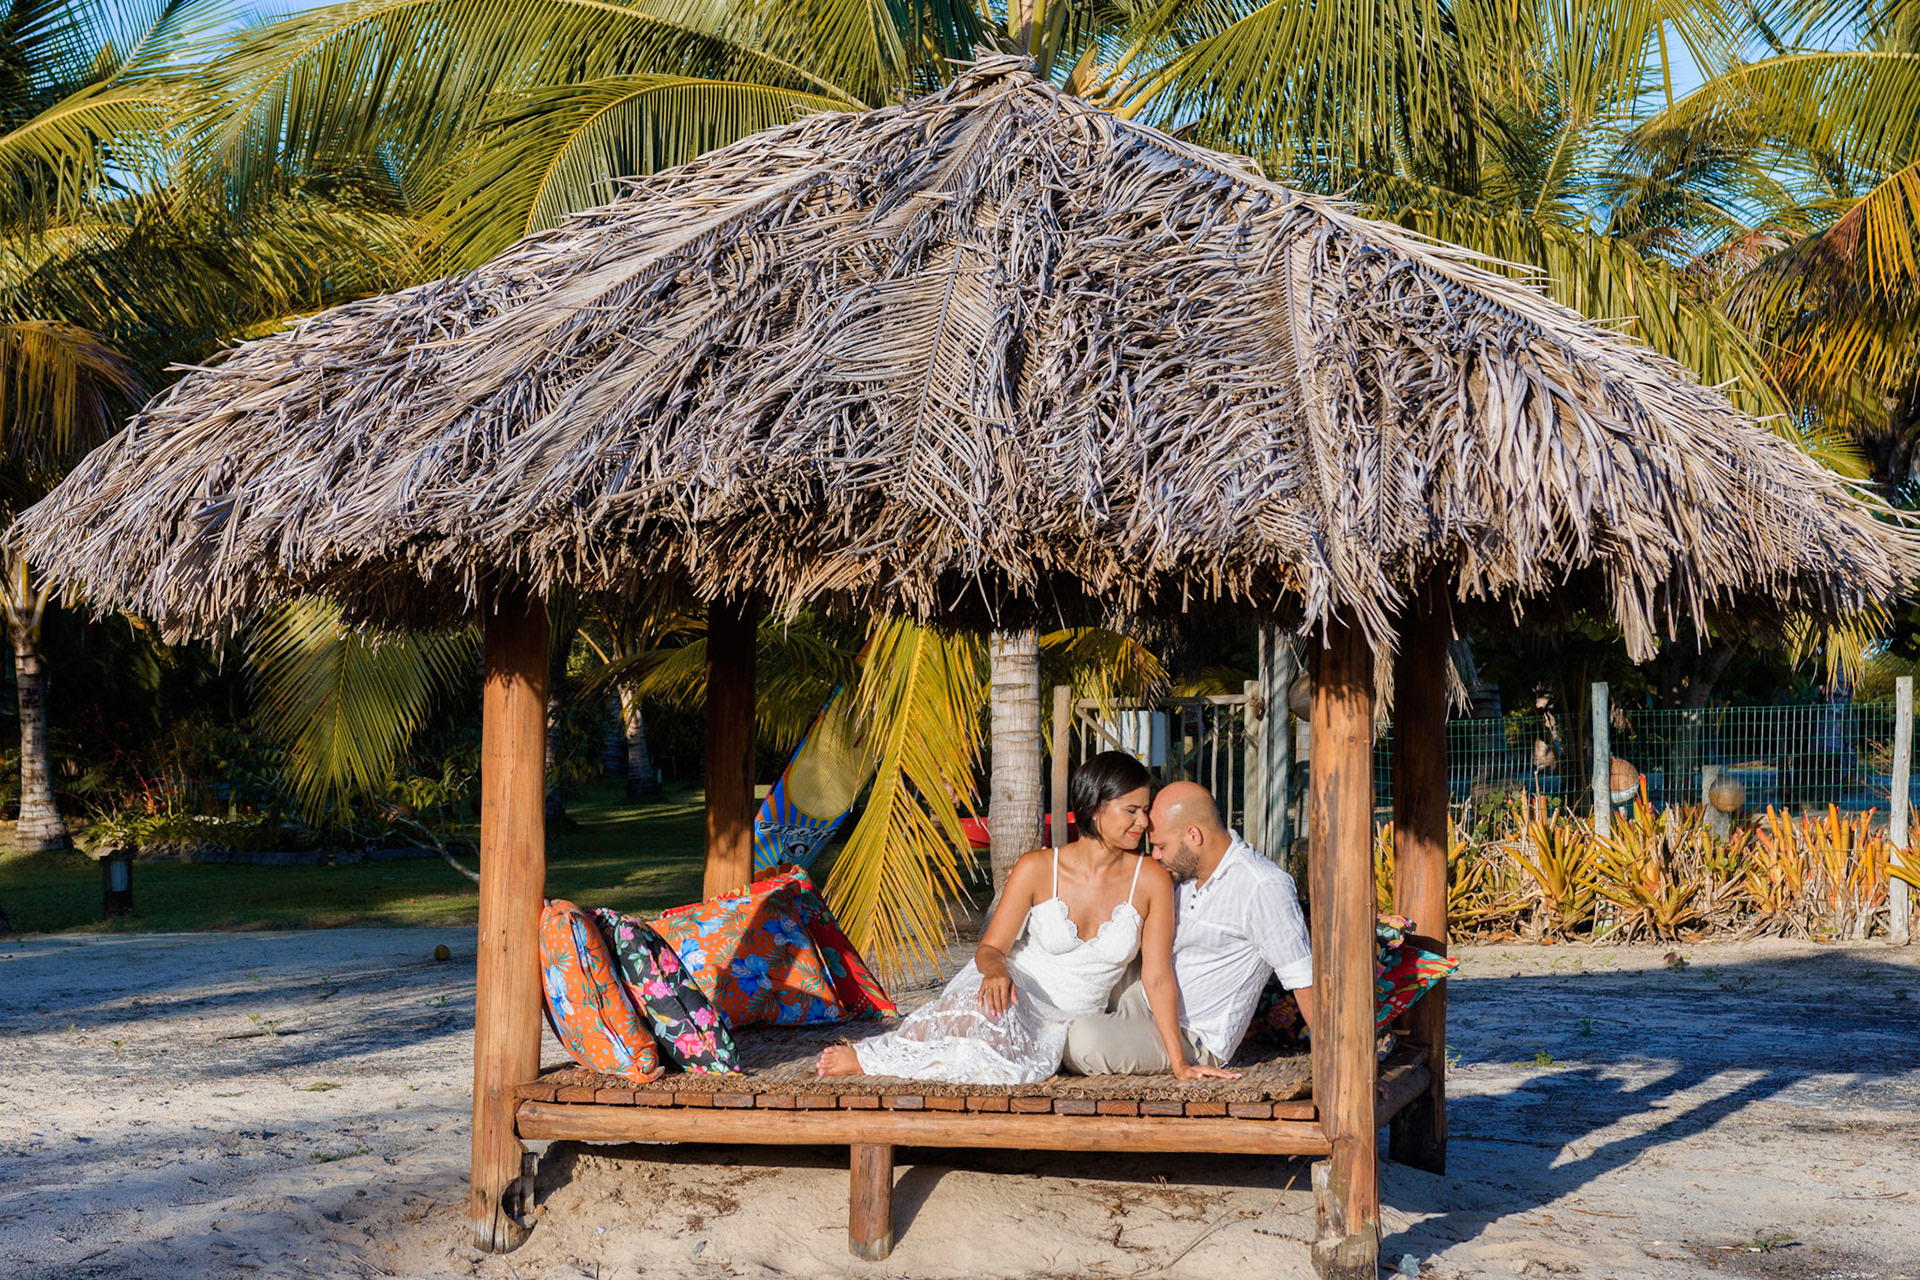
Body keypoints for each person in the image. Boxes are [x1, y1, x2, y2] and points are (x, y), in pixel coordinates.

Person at [818, 752, 1237, 1083]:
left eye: (1145, 810)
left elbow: (1158, 977)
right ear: (1095, 810)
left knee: (1004, 1066)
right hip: (1014, 988)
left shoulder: (1150, 880)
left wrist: (1179, 1063)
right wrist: (996, 971)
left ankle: (890, 1058)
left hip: (1066, 1017)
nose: (1143, 823)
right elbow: (990, 948)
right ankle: (873, 1058)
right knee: (977, 1021)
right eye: (1131, 811)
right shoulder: (1037, 867)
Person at [1062, 780, 1313, 1075]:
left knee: (1077, 1041)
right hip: (1142, 991)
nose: (1155, 855)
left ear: (1193, 835)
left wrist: (1341, 1065)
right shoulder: (1187, 875)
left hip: (1190, 1036)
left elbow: (1303, 979)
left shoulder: (1262, 886)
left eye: (1160, 846)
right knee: (1074, 950)